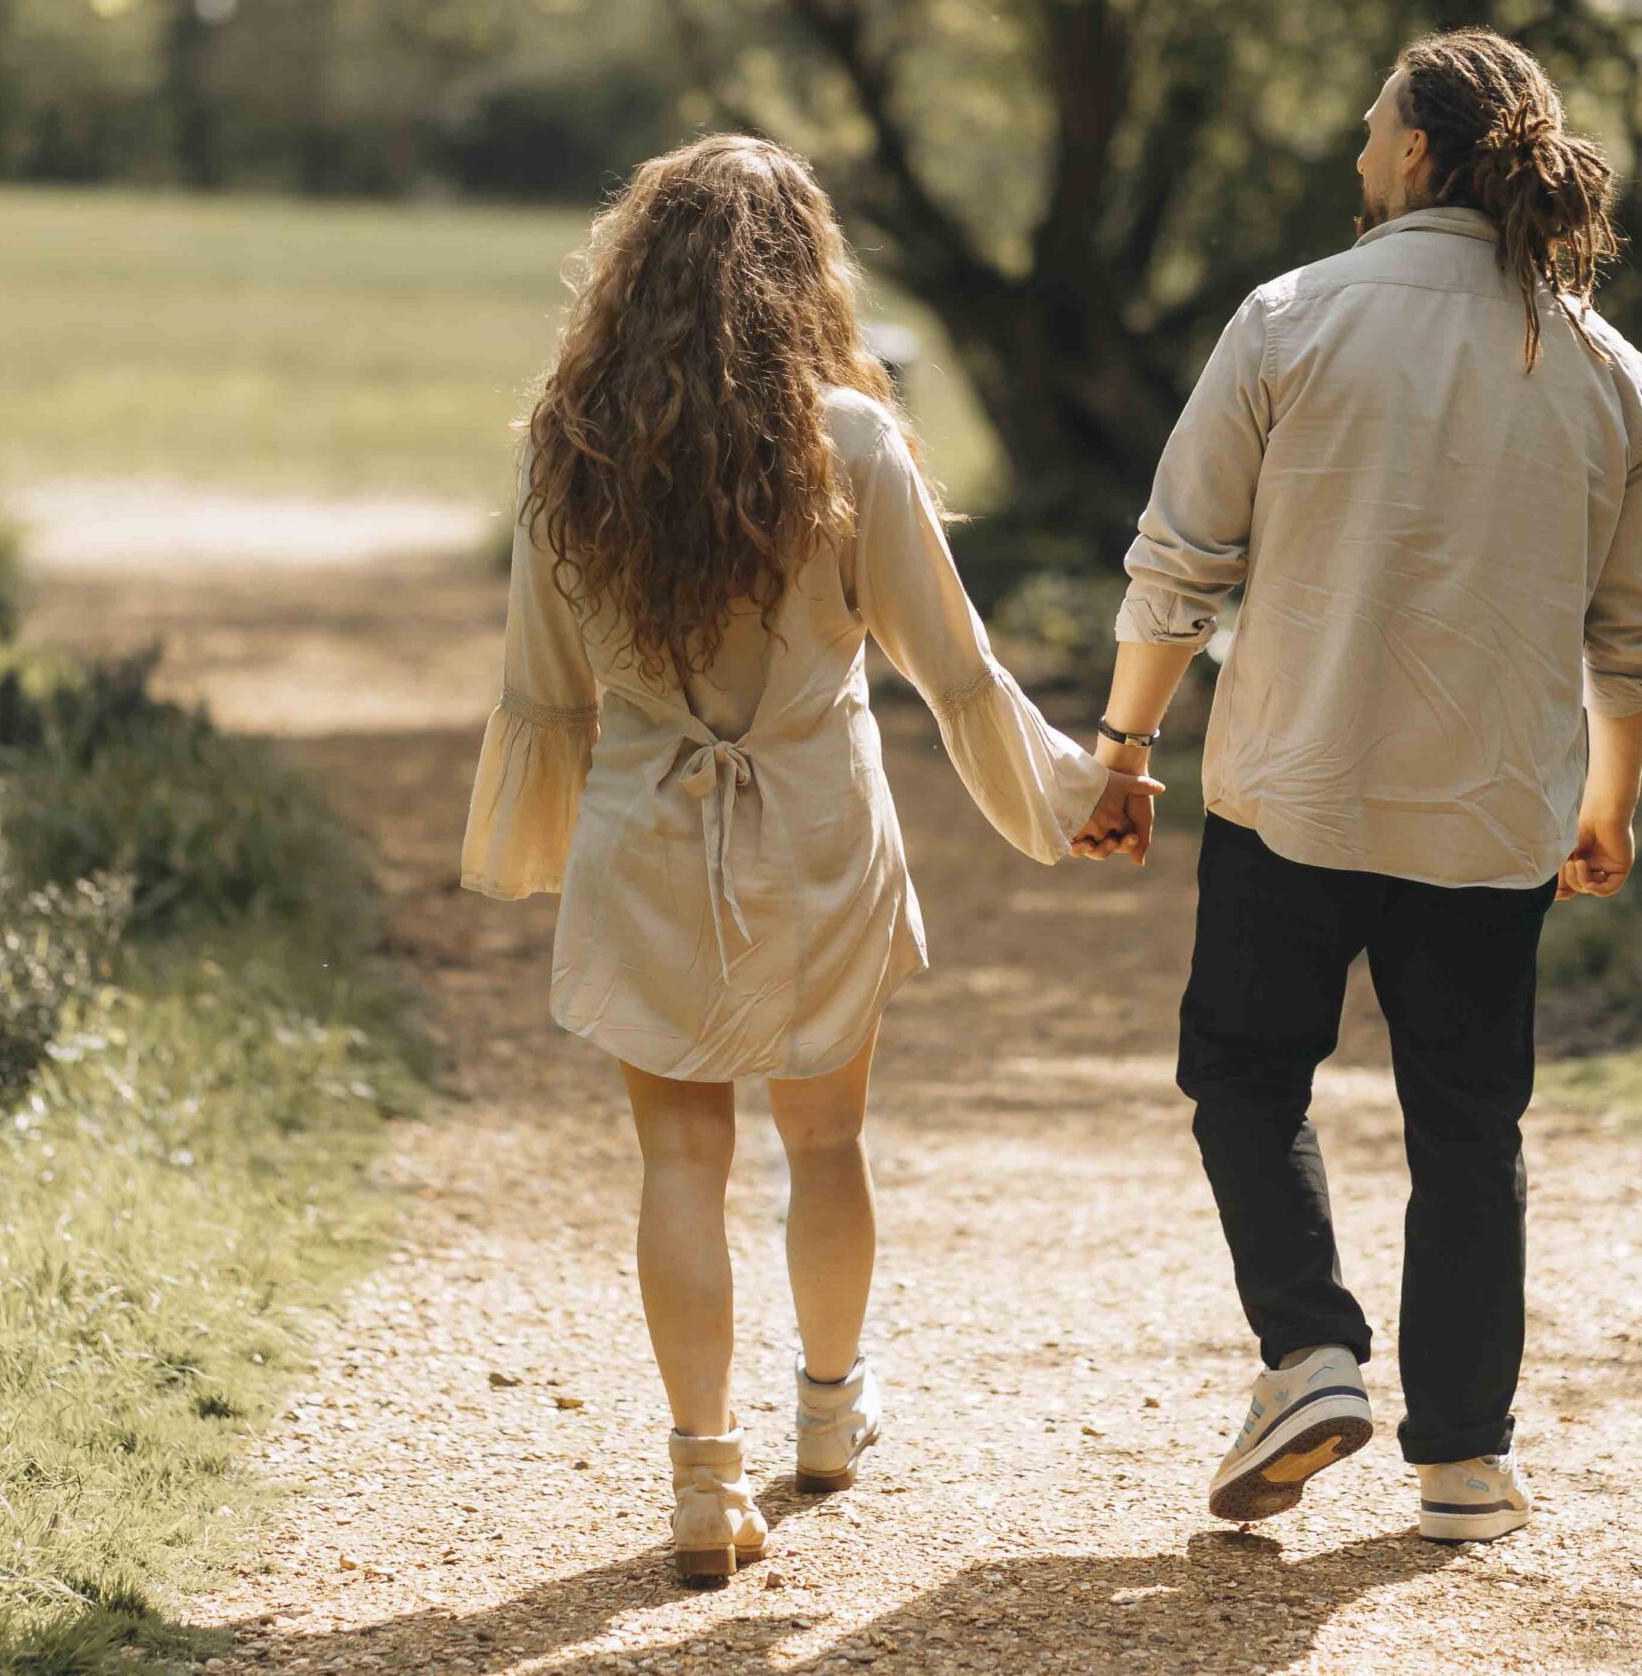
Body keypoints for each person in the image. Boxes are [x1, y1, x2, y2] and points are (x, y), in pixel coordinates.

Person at [460, 135, 1153, 1583]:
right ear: (801, 277)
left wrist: (544, 843)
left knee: (681, 1153)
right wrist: (1073, 794)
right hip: (824, 834)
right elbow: (952, 673)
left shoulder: (567, 445)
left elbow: (546, 691)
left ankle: (703, 1483)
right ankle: (831, 1417)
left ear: (630, 278)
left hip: (648, 825)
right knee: (824, 1138)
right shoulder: (852, 439)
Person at [1070, 29, 1642, 1543]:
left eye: (1368, 131)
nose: (1356, 153)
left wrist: (1129, 750)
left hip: (1299, 790)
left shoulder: (1292, 318)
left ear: (1415, 154)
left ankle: (1311, 1351)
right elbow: (1635, 637)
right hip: (1493, 817)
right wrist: (1608, 803)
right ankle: (1465, 1462)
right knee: (1469, 1125)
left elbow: (1180, 562)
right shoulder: (1608, 369)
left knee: (1246, 1071)